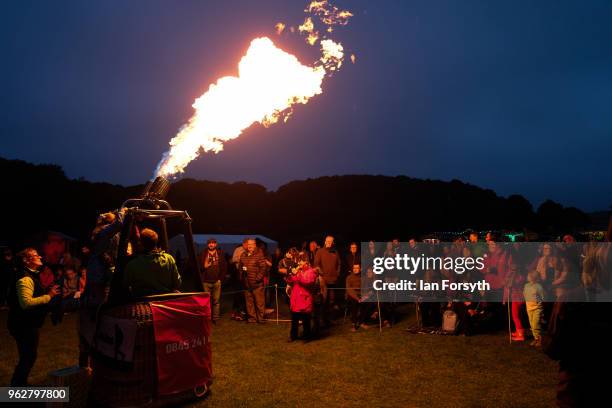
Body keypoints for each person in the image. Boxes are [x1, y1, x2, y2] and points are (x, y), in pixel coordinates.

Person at [7, 248, 60, 386]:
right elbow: (26, 303)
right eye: (36, 255)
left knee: (27, 356)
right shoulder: (25, 278)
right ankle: (17, 386)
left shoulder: (31, 275)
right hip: (24, 325)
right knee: (28, 357)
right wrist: (49, 296)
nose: (40, 257)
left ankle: (19, 384)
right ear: (26, 260)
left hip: (24, 323)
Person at [124, 228, 181, 297]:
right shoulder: (169, 259)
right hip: (165, 299)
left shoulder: (132, 264)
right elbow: (177, 283)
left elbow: (125, 286)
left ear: (140, 243)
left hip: (142, 302)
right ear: (156, 242)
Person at [286, 253, 316, 342]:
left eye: (301, 262)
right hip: (296, 299)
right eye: (299, 262)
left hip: (305, 299)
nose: (299, 264)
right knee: (294, 320)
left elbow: (307, 281)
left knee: (306, 320)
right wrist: (290, 274)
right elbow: (291, 281)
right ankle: (293, 336)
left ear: (306, 263)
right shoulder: (299, 271)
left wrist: (298, 274)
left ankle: (307, 336)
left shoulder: (311, 272)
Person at [314, 235, 341, 327]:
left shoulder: (335, 252)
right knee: (323, 301)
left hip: (333, 281)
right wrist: (321, 275)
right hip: (323, 281)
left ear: (333, 242)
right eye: (327, 241)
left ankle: (329, 320)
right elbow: (316, 265)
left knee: (331, 301)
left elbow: (339, 264)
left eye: (331, 241)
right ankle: (321, 320)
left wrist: (337, 274)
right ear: (325, 241)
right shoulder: (320, 251)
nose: (329, 242)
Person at [239, 238, 268, 323]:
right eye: (248, 244)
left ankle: (261, 318)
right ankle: (252, 318)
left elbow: (263, 268)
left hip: (257, 284)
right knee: (249, 303)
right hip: (247, 284)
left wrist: (257, 279)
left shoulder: (259, 254)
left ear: (255, 245)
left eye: (251, 244)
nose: (249, 246)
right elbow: (240, 267)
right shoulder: (243, 255)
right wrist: (242, 277)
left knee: (260, 302)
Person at [200, 238, 227, 323]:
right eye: (209, 243)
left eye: (213, 243)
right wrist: (204, 266)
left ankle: (215, 318)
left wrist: (220, 279)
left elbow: (224, 267)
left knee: (216, 301)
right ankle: (207, 318)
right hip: (206, 281)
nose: (211, 244)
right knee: (206, 302)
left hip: (216, 281)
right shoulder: (203, 253)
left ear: (216, 244)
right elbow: (199, 266)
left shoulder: (220, 253)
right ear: (207, 244)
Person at [345, 263, 372, 332]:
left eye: (357, 268)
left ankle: (361, 322)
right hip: (353, 296)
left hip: (362, 295)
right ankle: (353, 323)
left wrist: (364, 297)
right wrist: (357, 299)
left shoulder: (364, 277)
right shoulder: (349, 277)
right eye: (354, 268)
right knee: (354, 304)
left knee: (367, 303)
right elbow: (349, 290)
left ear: (360, 269)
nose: (355, 270)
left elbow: (367, 288)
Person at [523, 269, 544, 347]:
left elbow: (542, 297)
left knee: (536, 325)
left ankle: (540, 340)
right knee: (532, 325)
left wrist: (538, 303)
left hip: (537, 308)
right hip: (529, 308)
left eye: (528, 275)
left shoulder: (538, 287)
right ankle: (536, 339)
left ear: (533, 277)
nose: (527, 277)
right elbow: (525, 294)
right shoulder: (526, 285)